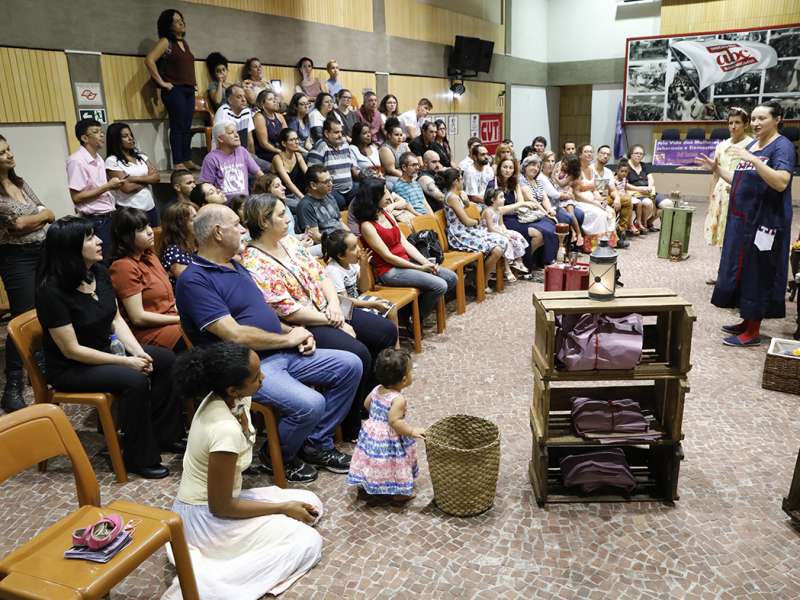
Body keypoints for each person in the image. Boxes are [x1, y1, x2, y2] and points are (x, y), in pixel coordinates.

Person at [175, 204, 361, 482]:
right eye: (236, 224)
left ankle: (314, 442)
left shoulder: (235, 265)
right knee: (310, 403)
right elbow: (234, 334)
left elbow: (262, 315)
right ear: (217, 232)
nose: (242, 229)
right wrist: (287, 337)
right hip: (247, 366)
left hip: (280, 350)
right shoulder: (194, 280)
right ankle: (277, 457)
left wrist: (297, 332)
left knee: (351, 364)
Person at [162, 342, 323, 600]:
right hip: (204, 517)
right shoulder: (223, 430)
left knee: (309, 501)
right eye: (257, 377)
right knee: (308, 542)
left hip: (222, 501)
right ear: (233, 389)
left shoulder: (232, 397)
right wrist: (282, 508)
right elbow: (221, 507)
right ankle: (210, 581)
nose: (264, 378)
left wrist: (287, 507)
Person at [36, 216, 184, 478]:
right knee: (134, 380)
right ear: (70, 248)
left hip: (106, 349)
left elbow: (116, 320)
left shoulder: (99, 273)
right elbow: (72, 350)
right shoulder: (51, 291)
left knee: (165, 360)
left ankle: (164, 435)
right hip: (72, 367)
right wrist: (127, 362)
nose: (100, 241)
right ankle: (138, 457)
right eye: (90, 237)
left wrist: (137, 350)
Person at [241, 194, 397, 439]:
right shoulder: (253, 261)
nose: (288, 218)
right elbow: (286, 309)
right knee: (358, 352)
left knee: (385, 331)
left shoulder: (290, 243)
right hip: (305, 322)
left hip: (329, 308)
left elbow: (321, 274)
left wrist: (335, 307)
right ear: (263, 222)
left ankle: (368, 400)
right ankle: (350, 424)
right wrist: (334, 321)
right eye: (281, 214)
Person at [695, 100, 795, 347]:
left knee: (759, 272)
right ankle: (746, 320)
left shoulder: (782, 147)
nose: (756, 123)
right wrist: (716, 169)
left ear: (778, 119)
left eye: (762, 118)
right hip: (743, 220)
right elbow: (738, 178)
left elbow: (781, 181)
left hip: (766, 223)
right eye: (754, 119)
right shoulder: (753, 144)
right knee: (742, 269)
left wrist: (755, 159)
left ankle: (753, 330)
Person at [0, 134, 55, 411]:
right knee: (23, 317)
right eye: (2, 153)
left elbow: (49, 213)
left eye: (9, 148)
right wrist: (38, 218)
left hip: (42, 251)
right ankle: (12, 385)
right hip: (15, 258)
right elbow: (16, 224)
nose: (9, 155)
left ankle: (42, 370)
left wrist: (35, 219)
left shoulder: (19, 183)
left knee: (46, 310)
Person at [353, 178, 457, 322]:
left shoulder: (386, 214)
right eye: (384, 193)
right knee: (440, 285)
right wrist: (419, 268)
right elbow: (388, 256)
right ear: (373, 197)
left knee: (451, 278)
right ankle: (414, 320)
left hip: (406, 262)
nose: (389, 196)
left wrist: (425, 262)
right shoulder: (367, 225)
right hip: (390, 270)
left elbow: (405, 243)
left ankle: (412, 312)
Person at [347, 348, 424, 502]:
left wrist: (376, 420)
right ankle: (399, 492)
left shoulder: (376, 389)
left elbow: (367, 404)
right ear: (403, 379)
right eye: (410, 371)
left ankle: (370, 482)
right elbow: (395, 422)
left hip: (372, 433)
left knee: (371, 458)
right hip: (389, 438)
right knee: (394, 462)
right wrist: (412, 431)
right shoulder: (398, 399)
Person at [109, 208, 183, 352]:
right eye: (142, 229)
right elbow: (138, 317)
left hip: (172, 321)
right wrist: (180, 320)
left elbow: (170, 301)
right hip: (150, 331)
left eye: (148, 225)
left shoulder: (150, 256)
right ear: (125, 237)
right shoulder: (123, 266)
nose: (150, 231)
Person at [703, 107, 753, 284]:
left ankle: (737, 273)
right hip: (721, 194)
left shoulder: (751, 145)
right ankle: (722, 272)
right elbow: (715, 173)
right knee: (722, 233)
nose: (733, 126)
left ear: (746, 124)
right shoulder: (722, 145)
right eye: (730, 123)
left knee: (736, 233)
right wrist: (711, 195)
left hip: (740, 192)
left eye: (737, 123)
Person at [145, 9, 197, 171]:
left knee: (187, 126)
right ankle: (178, 162)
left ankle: (187, 159)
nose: (181, 22)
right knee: (178, 125)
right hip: (175, 90)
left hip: (188, 89)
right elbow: (149, 60)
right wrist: (162, 82)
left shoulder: (185, 43)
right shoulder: (166, 42)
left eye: (181, 19)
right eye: (176, 21)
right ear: (168, 25)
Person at [438, 168, 506, 289]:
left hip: (466, 231)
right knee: (497, 250)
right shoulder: (452, 197)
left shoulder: (456, 195)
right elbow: (466, 221)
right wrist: (478, 221)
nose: (463, 181)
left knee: (500, 242)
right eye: (461, 179)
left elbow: (467, 206)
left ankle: (476, 278)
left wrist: (465, 199)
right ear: (455, 181)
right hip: (459, 234)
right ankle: (481, 282)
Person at [488, 157, 556, 275]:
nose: (507, 170)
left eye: (510, 168)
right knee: (537, 234)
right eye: (505, 167)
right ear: (499, 168)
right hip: (501, 220)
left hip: (517, 216)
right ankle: (523, 262)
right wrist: (517, 205)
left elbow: (519, 203)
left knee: (547, 229)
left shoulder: (515, 183)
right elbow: (496, 210)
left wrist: (516, 205)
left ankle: (525, 261)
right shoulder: (493, 184)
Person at [66, 118, 122, 259]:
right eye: (96, 132)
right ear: (84, 138)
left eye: (101, 132)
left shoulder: (98, 158)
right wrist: (108, 186)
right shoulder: (76, 160)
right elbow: (77, 197)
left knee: (115, 258)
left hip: (109, 216)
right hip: (96, 220)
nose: (101, 135)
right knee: (103, 261)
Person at [321, 229, 395, 319]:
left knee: (391, 307)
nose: (359, 250)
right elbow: (344, 302)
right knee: (378, 317)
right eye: (354, 247)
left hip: (357, 300)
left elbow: (364, 288)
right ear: (341, 255)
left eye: (357, 245)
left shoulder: (352, 263)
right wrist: (372, 305)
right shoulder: (333, 271)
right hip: (345, 310)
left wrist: (364, 267)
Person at [104, 122, 160, 226]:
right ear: (116, 140)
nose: (130, 138)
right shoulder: (112, 161)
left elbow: (156, 178)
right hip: (130, 211)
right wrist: (148, 180)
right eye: (125, 136)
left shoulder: (142, 156)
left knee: (153, 238)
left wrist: (133, 178)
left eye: (131, 135)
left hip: (150, 207)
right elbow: (126, 188)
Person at [200, 122, 264, 201]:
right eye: (231, 133)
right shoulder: (211, 159)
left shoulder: (242, 151)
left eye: (236, 132)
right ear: (220, 138)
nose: (237, 135)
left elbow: (260, 175)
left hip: (244, 203)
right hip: (224, 206)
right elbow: (206, 187)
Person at [570, 146, 617, 245]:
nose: (589, 154)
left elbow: (594, 189)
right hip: (580, 201)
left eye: (591, 151)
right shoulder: (577, 170)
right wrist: (595, 203)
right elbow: (576, 194)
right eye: (586, 151)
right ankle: (594, 245)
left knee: (610, 211)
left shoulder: (591, 170)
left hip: (592, 199)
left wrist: (599, 199)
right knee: (599, 214)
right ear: (580, 154)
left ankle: (608, 242)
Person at [307, 119, 358, 209]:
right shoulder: (320, 147)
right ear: (326, 133)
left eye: (341, 132)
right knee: (340, 201)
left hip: (350, 187)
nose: (340, 135)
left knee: (366, 190)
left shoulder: (345, 145)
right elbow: (313, 174)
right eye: (336, 132)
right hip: (330, 189)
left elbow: (353, 168)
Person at [482, 188, 529, 282]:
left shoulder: (499, 210)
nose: (504, 199)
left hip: (498, 230)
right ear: (493, 199)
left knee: (516, 235)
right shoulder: (487, 211)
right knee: (505, 240)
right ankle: (507, 269)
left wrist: (506, 231)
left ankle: (519, 261)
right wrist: (504, 234)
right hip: (487, 232)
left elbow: (501, 224)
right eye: (501, 197)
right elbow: (490, 228)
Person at [539, 151, 583, 246]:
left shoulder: (566, 174)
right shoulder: (544, 176)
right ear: (542, 163)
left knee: (576, 214)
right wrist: (566, 194)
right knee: (568, 215)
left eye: (552, 161)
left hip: (565, 199)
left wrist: (568, 192)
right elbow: (554, 193)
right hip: (557, 201)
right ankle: (570, 239)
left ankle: (577, 235)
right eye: (548, 161)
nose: (551, 164)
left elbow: (562, 185)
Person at [626, 144, 673, 231]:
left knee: (668, 204)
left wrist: (650, 186)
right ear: (631, 154)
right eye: (636, 153)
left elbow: (650, 177)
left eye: (641, 154)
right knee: (648, 203)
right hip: (634, 193)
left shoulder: (644, 165)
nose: (639, 155)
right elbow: (623, 183)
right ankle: (642, 224)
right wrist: (639, 189)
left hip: (648, 191)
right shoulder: (625, 165)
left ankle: (648, 222)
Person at [593, 144, 631, 248]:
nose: (605, 156)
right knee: (611, 211)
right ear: (597, 154)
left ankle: (621, 231)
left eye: (608, 154)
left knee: (627, 199)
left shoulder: (608, 172)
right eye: (603, 153)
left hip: (606, 198)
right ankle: (615, 240)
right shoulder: (590, 169)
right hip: (593, 199)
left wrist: (617, 198)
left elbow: (613, 189)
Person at [252, 174, 302, 242]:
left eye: (281, 184)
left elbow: (291, 236)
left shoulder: (284, 206)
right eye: (277, 186)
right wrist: (301, 245)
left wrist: (303, 236)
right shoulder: (264, 213)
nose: (284, 188)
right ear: (267, 192)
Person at [159, 200, 197, 280]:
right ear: (180, 225)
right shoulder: (173, 252)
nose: (199, 221)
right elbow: (192, 282)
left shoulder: (198, 243)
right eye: (193, 219)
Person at [271, 128, 308, 210]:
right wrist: (304, 198)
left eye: (297, 139)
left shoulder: (298, 155)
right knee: (304, 206)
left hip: (294, 194)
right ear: (284, 143)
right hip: (281, 196)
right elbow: (288, 183)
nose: (297, 142)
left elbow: (309, 174)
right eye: (292, 140)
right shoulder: (277, 158)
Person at [213, 84, 255, 152]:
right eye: (239, 97)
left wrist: (251, 158)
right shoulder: (223, 111)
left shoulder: (246, 111)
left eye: (244, 96)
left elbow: (250, 140)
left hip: (243, 154)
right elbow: (221, 141)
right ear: (230, 100)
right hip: (226, 156)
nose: (244, 100)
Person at [253, 89, 287, 164]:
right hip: (266, 152)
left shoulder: (280, 116)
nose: (275, 101)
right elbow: (264, 144)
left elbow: (287, 135)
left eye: (275, 98)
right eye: (270, 99)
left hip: (280, 149)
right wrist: (280, 152)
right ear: (262, 104)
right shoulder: (259, 117)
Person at [378, 118, 410, 191]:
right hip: (391, 177)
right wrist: (408, 176)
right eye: (396, 135)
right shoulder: (385, 149)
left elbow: (412, 163)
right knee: (406, 185)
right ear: (389, 135)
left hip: (406, 173)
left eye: (401, 135)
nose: (399, 137)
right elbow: (391, 170)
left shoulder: (405, 145)